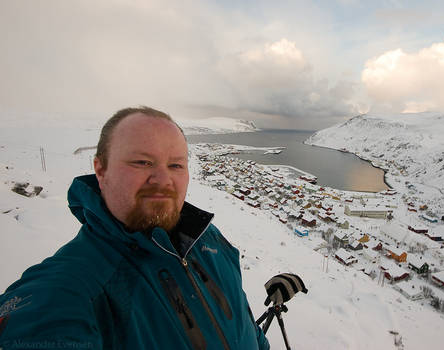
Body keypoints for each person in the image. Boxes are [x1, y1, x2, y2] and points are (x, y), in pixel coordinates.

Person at [0, 106, 270, 350]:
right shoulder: (71, 287)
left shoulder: (208, 239)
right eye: (142, 162)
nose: (163, 179)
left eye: (176, 164)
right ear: (100, 170)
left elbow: (242, 319)